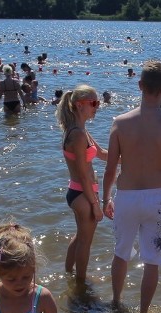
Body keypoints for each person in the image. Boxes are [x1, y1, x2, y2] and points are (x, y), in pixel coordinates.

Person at [102, 61, 161, 313]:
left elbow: (110, 169)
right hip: (158, 199)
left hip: (126, 196)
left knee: (120, 254)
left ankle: (116, 302)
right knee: (152, 262)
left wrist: (105, 198)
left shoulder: (120, 123)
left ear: (140, 86)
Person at [57, 85, 107, 283]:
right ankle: (81, 285)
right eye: (93, 103)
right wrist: (95, 204)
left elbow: (102, 154)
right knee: (85, 242)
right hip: (82, 194)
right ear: (79, 105)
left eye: (98, 103)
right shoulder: (77, 134)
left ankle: (69, 274)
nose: (97, 107)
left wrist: (131, 157)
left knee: (80, 238)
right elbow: (84, 175)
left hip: (79, 192)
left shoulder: (80, 130)